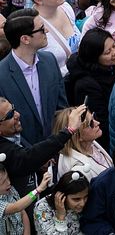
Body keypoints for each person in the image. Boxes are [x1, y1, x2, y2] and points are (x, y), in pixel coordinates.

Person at [0, 10, 68, 146]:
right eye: (42, 29)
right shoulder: (2, 75)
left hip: (56, 150)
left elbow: (61, 109)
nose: (47, 31)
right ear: (25, 39)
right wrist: (35, 155)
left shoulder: (50, 61)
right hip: (23, 156)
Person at [33, 171, 90, 235]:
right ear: (62, 196)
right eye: (76, 199)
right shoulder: (42, 208)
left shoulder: (87, 203)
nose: (82, 203)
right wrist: (60, 216)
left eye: (85, 197)